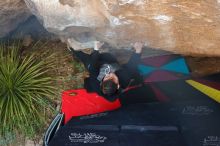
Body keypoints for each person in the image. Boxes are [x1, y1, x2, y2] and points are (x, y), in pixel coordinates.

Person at [67, 41, 144, 101]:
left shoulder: (96, 84)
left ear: (101, 83)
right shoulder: (124, 80)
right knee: (109, 59)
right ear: (118, 85)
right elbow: (132, 66)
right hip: (110, 62)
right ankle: (102, 56)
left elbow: (92, 67)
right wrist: (138, 49)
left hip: (98, 67)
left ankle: (72, 48)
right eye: (113, 78)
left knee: (88, 62)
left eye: (107, 78)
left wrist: (96, 49)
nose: (110, 75)